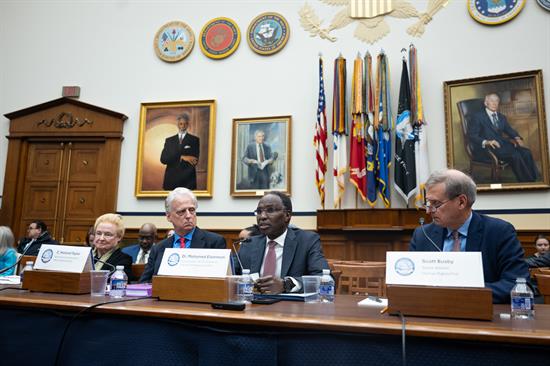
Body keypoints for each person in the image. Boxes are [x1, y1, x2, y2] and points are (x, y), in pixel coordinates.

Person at [409, 169, 529, 304]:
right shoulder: (422, 235)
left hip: (482, 314)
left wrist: (463, 294)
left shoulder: (499, 232)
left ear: (461, 202)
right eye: (428, 203)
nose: (428, 210)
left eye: (436, 204)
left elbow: (516, 284)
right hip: (431, 313)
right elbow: (411, 281)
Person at [237, 191, 329, 294]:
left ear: (287, 215)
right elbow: (230, 277)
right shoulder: (248, 244)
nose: (262, 216)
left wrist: (286, 285)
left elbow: (324, 279)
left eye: (270, 210)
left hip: (290, 308)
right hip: (253, 307)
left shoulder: (307, 241)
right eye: (259, 211)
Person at [139, 187, 227, 283]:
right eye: (182, 212)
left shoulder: (214, 242)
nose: (188, 216)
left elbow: (219, 283)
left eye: (192, 210)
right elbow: (144, 283)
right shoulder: (159, 248)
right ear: (168, 216)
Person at [468, 93, 539, 182]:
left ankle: (535, 180)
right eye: (492, 101)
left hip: (502, 145)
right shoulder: (477, 117)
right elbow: (472, 135)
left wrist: (517, 138)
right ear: (486, 103)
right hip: (487, 148)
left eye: (497, 101)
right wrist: (487, 142)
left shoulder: (501, 117)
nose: (495, 103)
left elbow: (509, 129)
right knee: (515, 155)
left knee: (526, 152)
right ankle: (526, 182)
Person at [160, 113, 200, 191]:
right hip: (171, 180)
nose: (183, 126)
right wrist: (182, 157)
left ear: (188, 124)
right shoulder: (169, 140)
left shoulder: (194, 140)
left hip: (188, 181)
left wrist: (173, 156)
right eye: (181, 123)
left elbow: (194, 161)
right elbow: (163, 159)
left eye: (185, 124)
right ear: (177, 124)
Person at [92, 213, 133, 279]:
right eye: (98, 233)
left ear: (119, 237)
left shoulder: (123, 260)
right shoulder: (86, 255)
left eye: (108, 234)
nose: (101, 238)